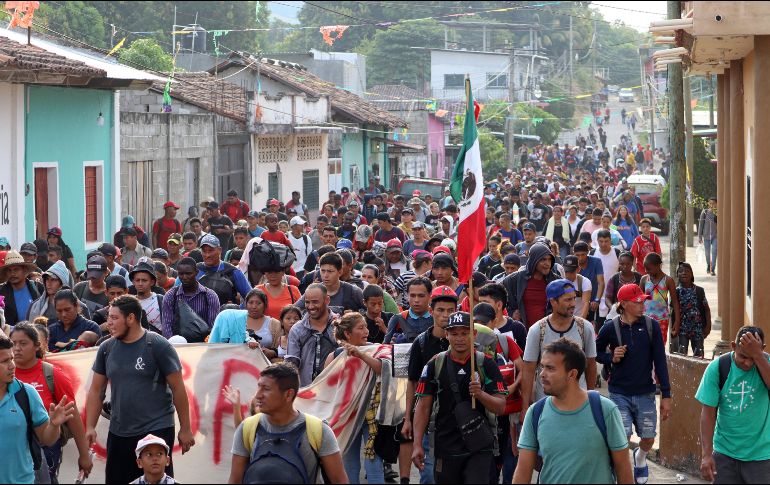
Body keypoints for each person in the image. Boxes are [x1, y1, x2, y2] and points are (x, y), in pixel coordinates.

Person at [85, 295, 195, 484]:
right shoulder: (106, 348)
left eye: (114, 318)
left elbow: (178, 388)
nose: (108, 323)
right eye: (108, 317)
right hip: (120, 431)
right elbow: (96, 391)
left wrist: (185, 428)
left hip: (156, 429)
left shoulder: (157, 345)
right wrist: (89, 427)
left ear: (131, 318)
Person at [513, 339, 633, 484]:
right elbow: (523, 470)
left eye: (550, 368)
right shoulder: (535, 412)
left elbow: (623, 468)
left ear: (572, 374)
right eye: (542, 367)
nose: (542, 374)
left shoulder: (605, 409)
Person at [411, 311, 507, 484]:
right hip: (446, 448)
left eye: (465, 333)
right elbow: (423, 406)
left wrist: (480, 394)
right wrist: (417, 444)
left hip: (479, 447)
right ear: (446, 335)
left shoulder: (486, 364)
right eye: (454, 334)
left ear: (474, 334)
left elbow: (500, 406)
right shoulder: (434, 365)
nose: (460, 338)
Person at [595, 284, 673, 485]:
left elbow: (660, 362)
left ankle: (640, 457)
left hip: (646, 393)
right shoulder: (610, 328)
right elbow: (595, 352)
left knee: (648, 438)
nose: (643, 305)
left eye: (643, 301)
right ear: (624, 304)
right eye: (638, 302)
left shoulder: (651, 326)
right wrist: (611, 357)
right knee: (622, 436)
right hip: (619, 393)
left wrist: (666, 395)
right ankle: (622, 474)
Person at [228, 362, 348, 484]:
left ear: (288, 394)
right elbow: (235, 480)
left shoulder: (319, 431)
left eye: (266, 389)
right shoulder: (247, 428)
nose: (258, 395)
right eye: (258, 387)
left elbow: (339, 480)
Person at [10, 322, 94, 482]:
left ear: (37, 346)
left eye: (23, 343)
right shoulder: (5, 374)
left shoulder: (51, 374)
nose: (17, 348)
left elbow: (72, 414)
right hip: (13, 449)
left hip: (47, 446)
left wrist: (84, 454)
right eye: (13, 343)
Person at [696, 326, 770, 484]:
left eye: (753, 357)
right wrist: (706, 455)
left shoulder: (766, 364)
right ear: (733, 346)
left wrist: (758, 356)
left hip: (762, 457)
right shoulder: (718, 368)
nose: (748, 363)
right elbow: (708, 414)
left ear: (762, 348)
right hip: (725, 455)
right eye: (743, 356)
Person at [0, 334, 76, 484]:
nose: (12, 365)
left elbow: (47, 439)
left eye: (12, 359)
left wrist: (54, 425)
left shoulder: (26, 393)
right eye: (4, 361)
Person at [324, 313, 387, 484]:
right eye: (360, 328)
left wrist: (361, 355)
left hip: (371, 415)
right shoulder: (336, 355)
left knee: (374, 463)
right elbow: (326, 387)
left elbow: (382, 369)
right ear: (347, 334)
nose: (366, 331)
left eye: (366, 326)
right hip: (346, 417)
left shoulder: (377, 349)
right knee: (349, 464)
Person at [520, 279, 597, 416]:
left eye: (574, 298)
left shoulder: (585, 328)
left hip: (579, 403)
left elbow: (590, 365)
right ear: (553, 302)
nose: (573, 304)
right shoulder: (537, 330)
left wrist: (591, 399)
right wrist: (525, 406)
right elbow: (528, 369)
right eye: (567, 300)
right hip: (546, 403)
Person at [286, 283, 339, 387]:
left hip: (334, 390)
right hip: (306, 391)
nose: (310, 307)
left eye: (315, 302)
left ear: (327, 300)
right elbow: (292, 363)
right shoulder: (297, 329)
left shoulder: (339, 326)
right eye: (307, 302)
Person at [209, 289, 282, 360]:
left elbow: (282, 348)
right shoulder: (234, 320)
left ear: (265, 305)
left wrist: (272, 352)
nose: (254, 306)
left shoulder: (275, 324)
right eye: (251, 302)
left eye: (258, 303)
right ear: (246, 304)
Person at [502, 242, 560, 328]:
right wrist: (512, 313)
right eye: (543, 259)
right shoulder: (513, 280)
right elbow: (500, 304)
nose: (547, 263)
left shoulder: (556, 281)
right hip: (522, 334)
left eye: (549, 259)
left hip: (549, 332)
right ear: (534, 260)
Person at [161, 257, 220, 339]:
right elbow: (167, 327)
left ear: (196, 272)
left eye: (188, 273)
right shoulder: (170, 296)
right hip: (178, 346)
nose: (184, 277)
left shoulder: (210, 296)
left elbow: (213, 328)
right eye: (181, 274)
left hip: (203, 345)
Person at [296, 253, 364, 316]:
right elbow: (294, 310)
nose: (325, 275)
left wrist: (355, 315)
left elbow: (368, 312)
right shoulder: (313, 291)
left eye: (330, 271)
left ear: (340, 272)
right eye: (323, 271)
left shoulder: (353, 291)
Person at [193, 234, 252, 306]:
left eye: (211, 250)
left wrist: (236, 310)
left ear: (220, 250)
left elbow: (251, 297)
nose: (207, 255)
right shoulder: (194, 270)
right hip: (198, 316)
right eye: (204, 251)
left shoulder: (232, 271)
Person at [640, 253, 680, 348]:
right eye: (645, 268)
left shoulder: (668, 280)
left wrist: (677, 321)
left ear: (658, 266)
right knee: (645, 346)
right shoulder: (644, 279)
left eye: (649, 268)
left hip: (662, 319)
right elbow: (639, 299)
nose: (646, 271)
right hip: (645, 318)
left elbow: (675, 301)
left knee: (660, 345)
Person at [477, 282, 527, 352]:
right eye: (479, 303)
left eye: (485, 303)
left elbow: (523, 358)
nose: (481, 307)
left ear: (499, 305)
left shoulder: (517, 328)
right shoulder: (476, 328)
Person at [675, 262, 711, 358]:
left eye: (687, 271)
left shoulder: (699, 291)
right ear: (677, 275)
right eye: (681, 271)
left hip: (698, 329)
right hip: (683, 329)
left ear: (692, 274)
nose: (684, 273)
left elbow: (706, 309)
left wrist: (708, 326)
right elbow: (673, 311)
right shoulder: (676, 292)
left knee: (699, 355)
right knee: (682, 355)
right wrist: (674, 327)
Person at [384, 277, 434, 344]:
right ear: (407, 295)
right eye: (412, 296)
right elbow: (385, 347)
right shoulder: (397, 319)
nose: (416, 300)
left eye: (421, 296)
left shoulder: (437, 318)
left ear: (430, 295)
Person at [0, 250, 43, 326]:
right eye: (9, 270)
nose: (12, 273)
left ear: (24, 270)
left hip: (35, 334)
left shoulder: (37, 287)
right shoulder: (1, 292)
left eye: (16, 269)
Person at [573, 241, 604, 324]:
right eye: (577, 255)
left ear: (587, 252)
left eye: (583, 254)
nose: (580, 258)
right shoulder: (571, 264)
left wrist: (597, 300)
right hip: (576, 303)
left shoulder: (596, 262)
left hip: (593, 302)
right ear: (573, 254)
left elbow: (601, 282)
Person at [130, 262, 165, 335]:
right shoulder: (129, 303)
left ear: (152, 282)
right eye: (137, 280)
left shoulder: (161, 300)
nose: (140, 283)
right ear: (133, 282)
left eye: (144, 280)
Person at [698, 197, 718, 275]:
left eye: (713, 203)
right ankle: (708, 265)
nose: (712, 205)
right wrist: (699, 236)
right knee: (707, 253)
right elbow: (701, 224)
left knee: (714, 251)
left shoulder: (718, 212)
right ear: (708, 204)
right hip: (706, 236)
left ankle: (712, 269)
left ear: (716, 204)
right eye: (710, 203)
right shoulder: (705, 212)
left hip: (715, 236)